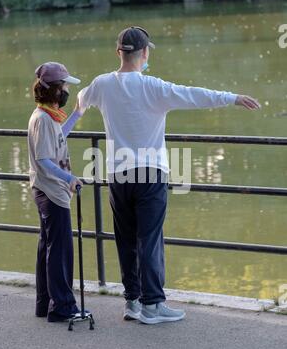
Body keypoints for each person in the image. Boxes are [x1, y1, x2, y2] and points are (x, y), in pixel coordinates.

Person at [77, 26, 261, 325]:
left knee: (126, 239)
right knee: (149, 239)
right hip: (150, 173)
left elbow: (81, 101)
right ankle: (153, 305)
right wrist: (233, 97)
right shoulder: (154, 88)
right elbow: (192, 95)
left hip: (118, 175)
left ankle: (133, 301)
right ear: (145, 53)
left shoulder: (102, 85)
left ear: (118, 52)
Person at [28, 62, 88, 322]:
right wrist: (70, 178)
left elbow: (58, 138)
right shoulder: (42, 118)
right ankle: (62, 307)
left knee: (49, 248)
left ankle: (45, 304)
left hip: (48, 190)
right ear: (53, 90)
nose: (66, 90)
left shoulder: (46, 116)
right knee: (60, 251)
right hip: (52, 192)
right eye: (64, 86)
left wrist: (76, 114)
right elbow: (43, 160)